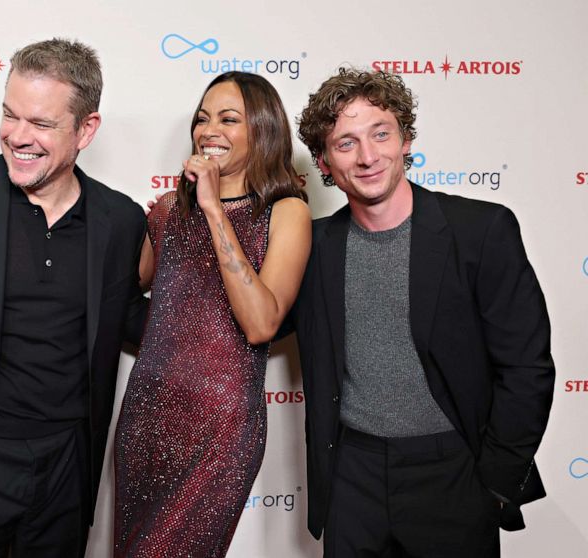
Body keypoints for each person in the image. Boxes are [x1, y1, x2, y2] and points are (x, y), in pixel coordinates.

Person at [290, 68, 554, 557]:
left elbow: (527, 369)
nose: (368, 156)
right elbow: (256, 320)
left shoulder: (481, 231)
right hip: (353, 477)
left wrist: (494, 485)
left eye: (380, 134)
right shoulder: (314, 246)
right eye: (345, 143)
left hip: (453, 473)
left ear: (406, 139)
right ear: (324, 161)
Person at [0, 38, 148, 557]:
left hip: (65, 471)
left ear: (86, 129)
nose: (18, 136)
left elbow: (132, 319)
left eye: (40, 124)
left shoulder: (120, 219)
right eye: (10, 115)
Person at [113, 71, 311, 557]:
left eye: (228, 119)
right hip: (147, 417)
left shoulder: (286, 211)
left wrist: (213, 208)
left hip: (220, 429)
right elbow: (127, 292)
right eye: (202, 119)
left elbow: (262, 323)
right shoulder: (166, 212)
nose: (209, 130)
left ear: (262, 129)